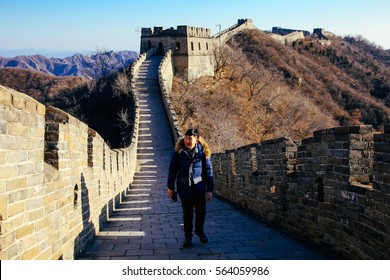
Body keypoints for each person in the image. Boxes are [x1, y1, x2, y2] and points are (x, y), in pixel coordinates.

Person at [167, 128, 214, 247]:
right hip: (184, 188)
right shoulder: (178, 153)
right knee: (187, 214)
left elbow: (208, 172)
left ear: (196, 140)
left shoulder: (203, 153)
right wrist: (170, 187)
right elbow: (172, 170)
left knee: (201, 212)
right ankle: (188, 237)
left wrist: (209, 190)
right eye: (186, 138)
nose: (187, 140)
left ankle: (199, 230)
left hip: (199, 188)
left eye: (190, 138)